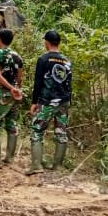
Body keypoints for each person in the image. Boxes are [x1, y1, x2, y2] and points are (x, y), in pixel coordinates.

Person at [27, 29, 72, 175]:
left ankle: (36, 166)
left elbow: (38, 82)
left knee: (37, 131)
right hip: (64, 102)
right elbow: (68, 84)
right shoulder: (67, 61)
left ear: (47, 42)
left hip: (47, 102)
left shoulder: (44, 59)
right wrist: (68, 102)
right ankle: (57, 166)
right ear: (58, 43)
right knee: (61, 133)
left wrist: (34, 102)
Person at [0, 28, 24, 168]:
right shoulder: (18, 56)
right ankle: (9, 158)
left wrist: (9, 88)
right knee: (12, 124)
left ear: (0, 39)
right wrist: (16, 89)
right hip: (15, 94)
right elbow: (19, 78)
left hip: (1, 93)